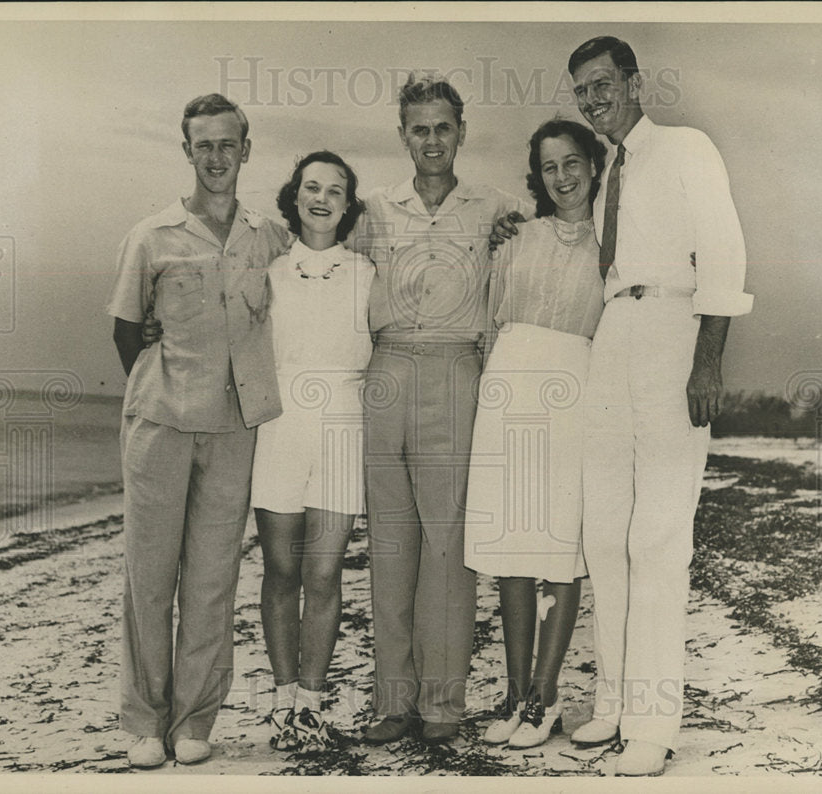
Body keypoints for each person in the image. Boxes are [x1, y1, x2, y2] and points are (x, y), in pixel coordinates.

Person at [492, 37, 753, 776]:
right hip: (612, 336)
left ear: (635, 83)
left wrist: (708, 361)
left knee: (659, 537)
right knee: (605, 535)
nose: (594, 98)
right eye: (583, 90)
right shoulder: (607, 175)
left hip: (673, 333)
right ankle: (611, 702)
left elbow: (724, 256)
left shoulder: (685, 148)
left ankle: (653, 720)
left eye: (604, 84)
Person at [106, 93, 292, 768]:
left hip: (235, 429)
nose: (216, 157)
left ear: (246, 150)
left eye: (227, 144)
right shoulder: (151, 235)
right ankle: (143, 724)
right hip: (159, 425)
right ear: (188, 152)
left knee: (212, 580)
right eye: (203, 145)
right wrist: (167, 384)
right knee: (149, 577)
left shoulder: (270, 237)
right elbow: (128, 332)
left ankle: (193, 721)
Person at [348, 73, 530, 745]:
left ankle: (443, 707)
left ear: (462, 131)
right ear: (402, 135)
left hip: (456, 371)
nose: (432, 140)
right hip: (386, 369)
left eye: (443, 127)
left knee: (448, 547)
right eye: (419, 129)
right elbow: (312, 269)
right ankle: (393, 703)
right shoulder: (370, 211)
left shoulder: (495, 207)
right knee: (391, 546)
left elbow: (553, 243)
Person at [464, 118, 605, 750]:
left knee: (556, 549)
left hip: (571, 395)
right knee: (510, 552)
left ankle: (544, 696)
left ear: (594, 167)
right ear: (537, 176)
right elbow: (487, 319)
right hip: (507, 388)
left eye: (572, 163)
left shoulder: (613, 240)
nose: (562, 177)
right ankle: (514, 692)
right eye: (549, 167)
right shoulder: (516, 235)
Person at [252, 152, 373, 752]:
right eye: (311, 188)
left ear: (349, 205)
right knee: (281, 570)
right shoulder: (268, 273)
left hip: (343, 427)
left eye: (335, 190)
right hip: (279, 426)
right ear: (294, 197)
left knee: (324, 573)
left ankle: (311, 704)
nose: (321, 199)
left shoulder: (368, 274)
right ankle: (280, 701)